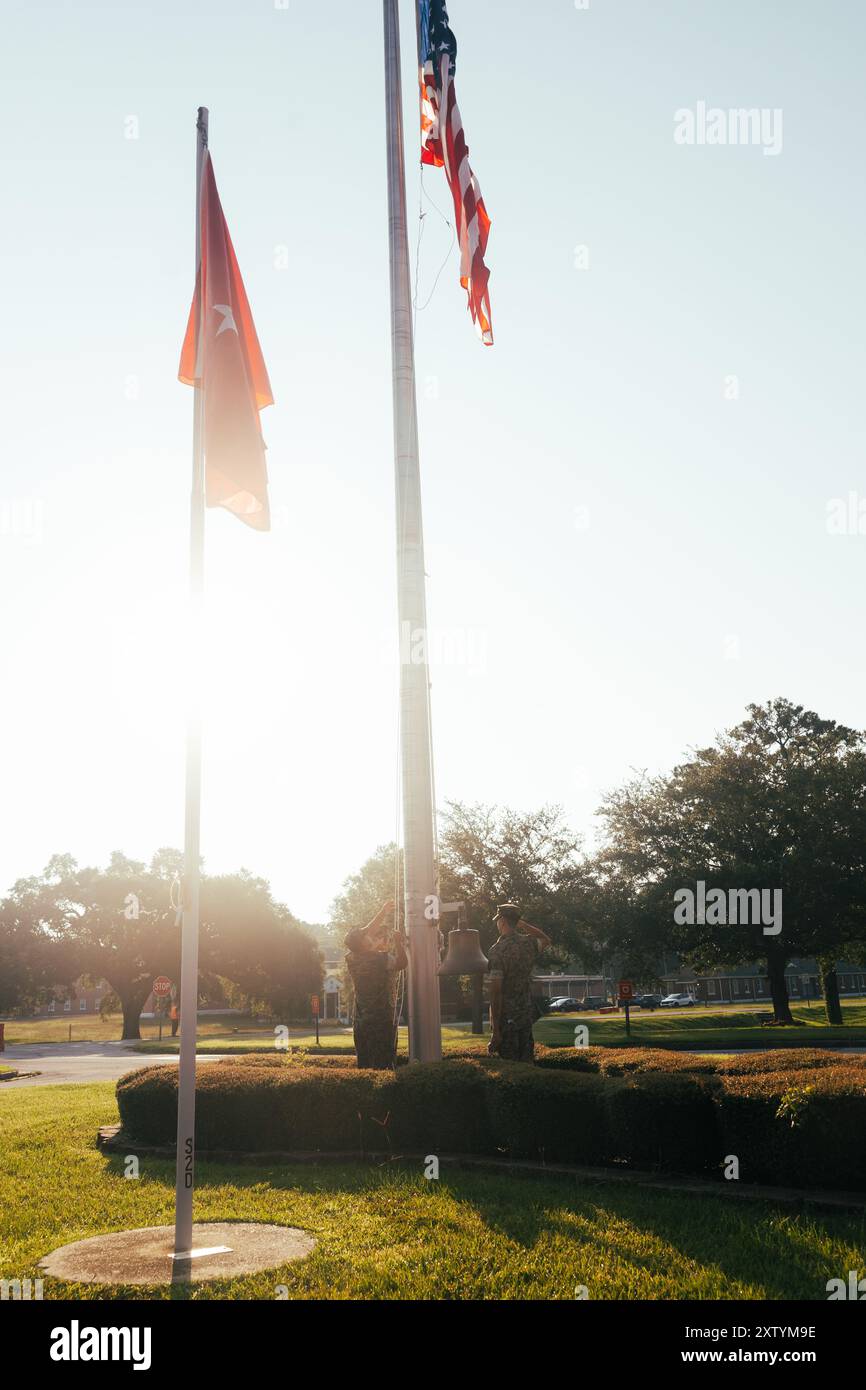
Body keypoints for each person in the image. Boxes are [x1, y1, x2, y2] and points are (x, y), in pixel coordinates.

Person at [344, 900, 408, 1070]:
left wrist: (383, 912)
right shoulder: (381, 959)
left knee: (364, 1064)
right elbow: (402, 963)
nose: (370, 934)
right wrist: (399, 942)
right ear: (363, 943)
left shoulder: (350, 958)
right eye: (366, 937)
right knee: (384, 1064)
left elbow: (363, 937)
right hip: (381, 1020)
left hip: (360, 1021)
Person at [486, 904, 551, 1062]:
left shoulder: (497, 951)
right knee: (527, 1062)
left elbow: (496, 993)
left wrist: (495, 1031)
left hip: (507, 1018)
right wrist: (522, 924)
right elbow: (546, 939)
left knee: (510, 1067)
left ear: (502, 921)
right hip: (525, 1013)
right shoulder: (528, 944)